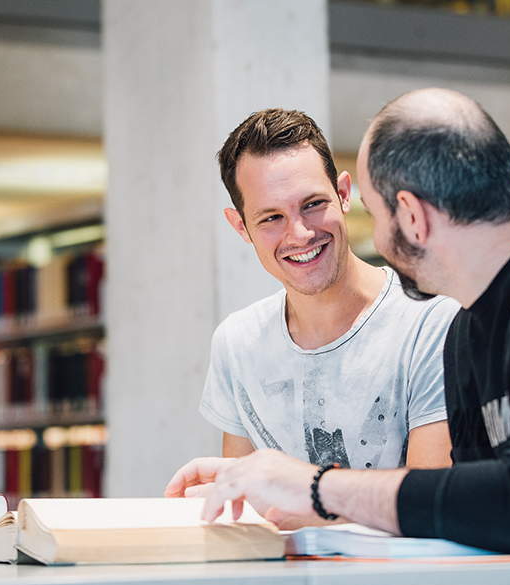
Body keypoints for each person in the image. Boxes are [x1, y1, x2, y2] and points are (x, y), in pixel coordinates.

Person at [165, 89, 510, 553]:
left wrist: (315, 487)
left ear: (410, 216)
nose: (377, 240)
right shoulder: (472, 326)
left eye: (371, 212)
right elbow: (458, 508)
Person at [183, 108, 459, 520]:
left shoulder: (431, 320)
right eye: (271, 217)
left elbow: (432, 505)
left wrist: (303, 503)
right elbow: (245, 516)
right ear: (241, 227)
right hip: (287, 580)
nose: (300, 234)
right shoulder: (237, 343)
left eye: (313, 204)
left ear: (344, 194)